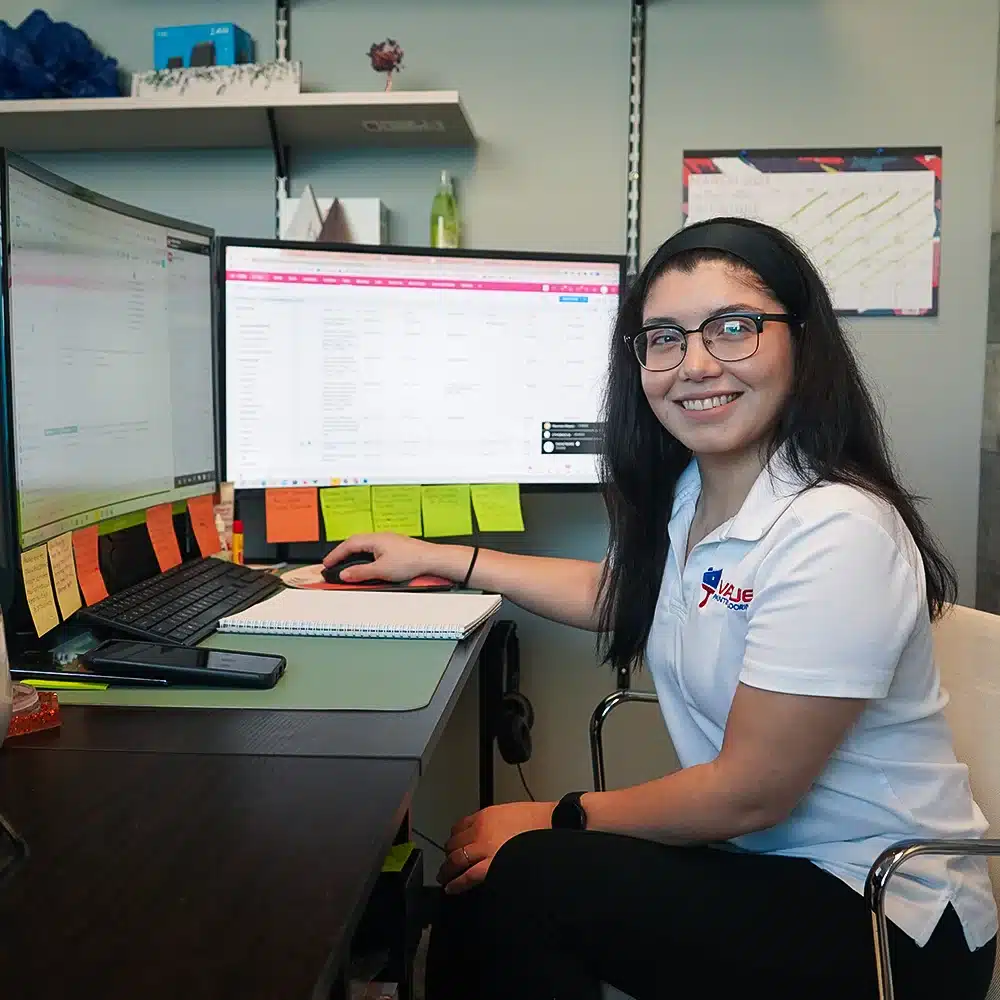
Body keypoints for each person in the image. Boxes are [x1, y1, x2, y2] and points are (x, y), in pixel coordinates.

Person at [323, 218, 998, 999]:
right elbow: (632, 597)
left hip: (884, 912)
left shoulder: (835, 530)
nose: (696, 364)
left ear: (801, 344)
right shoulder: (696, 491)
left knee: (522, 883)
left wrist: (555, 815)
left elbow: (752, 792)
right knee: (495, 890)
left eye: (733, 328)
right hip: (769, 864)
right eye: (665, 339)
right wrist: (446, 558)